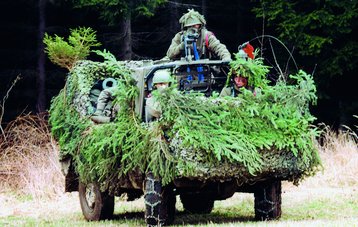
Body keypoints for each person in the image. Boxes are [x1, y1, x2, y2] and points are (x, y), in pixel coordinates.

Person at [166, 9, 231, 61]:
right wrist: (181, 47)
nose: (192, 27)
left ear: (200, 25)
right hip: (182, 73)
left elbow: (219, 47)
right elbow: (170, 54)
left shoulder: (206, 35)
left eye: (195, 25)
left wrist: (226, 57)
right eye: (190, 26)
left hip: (204, 72)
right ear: (185, 27)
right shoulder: (179, 36)